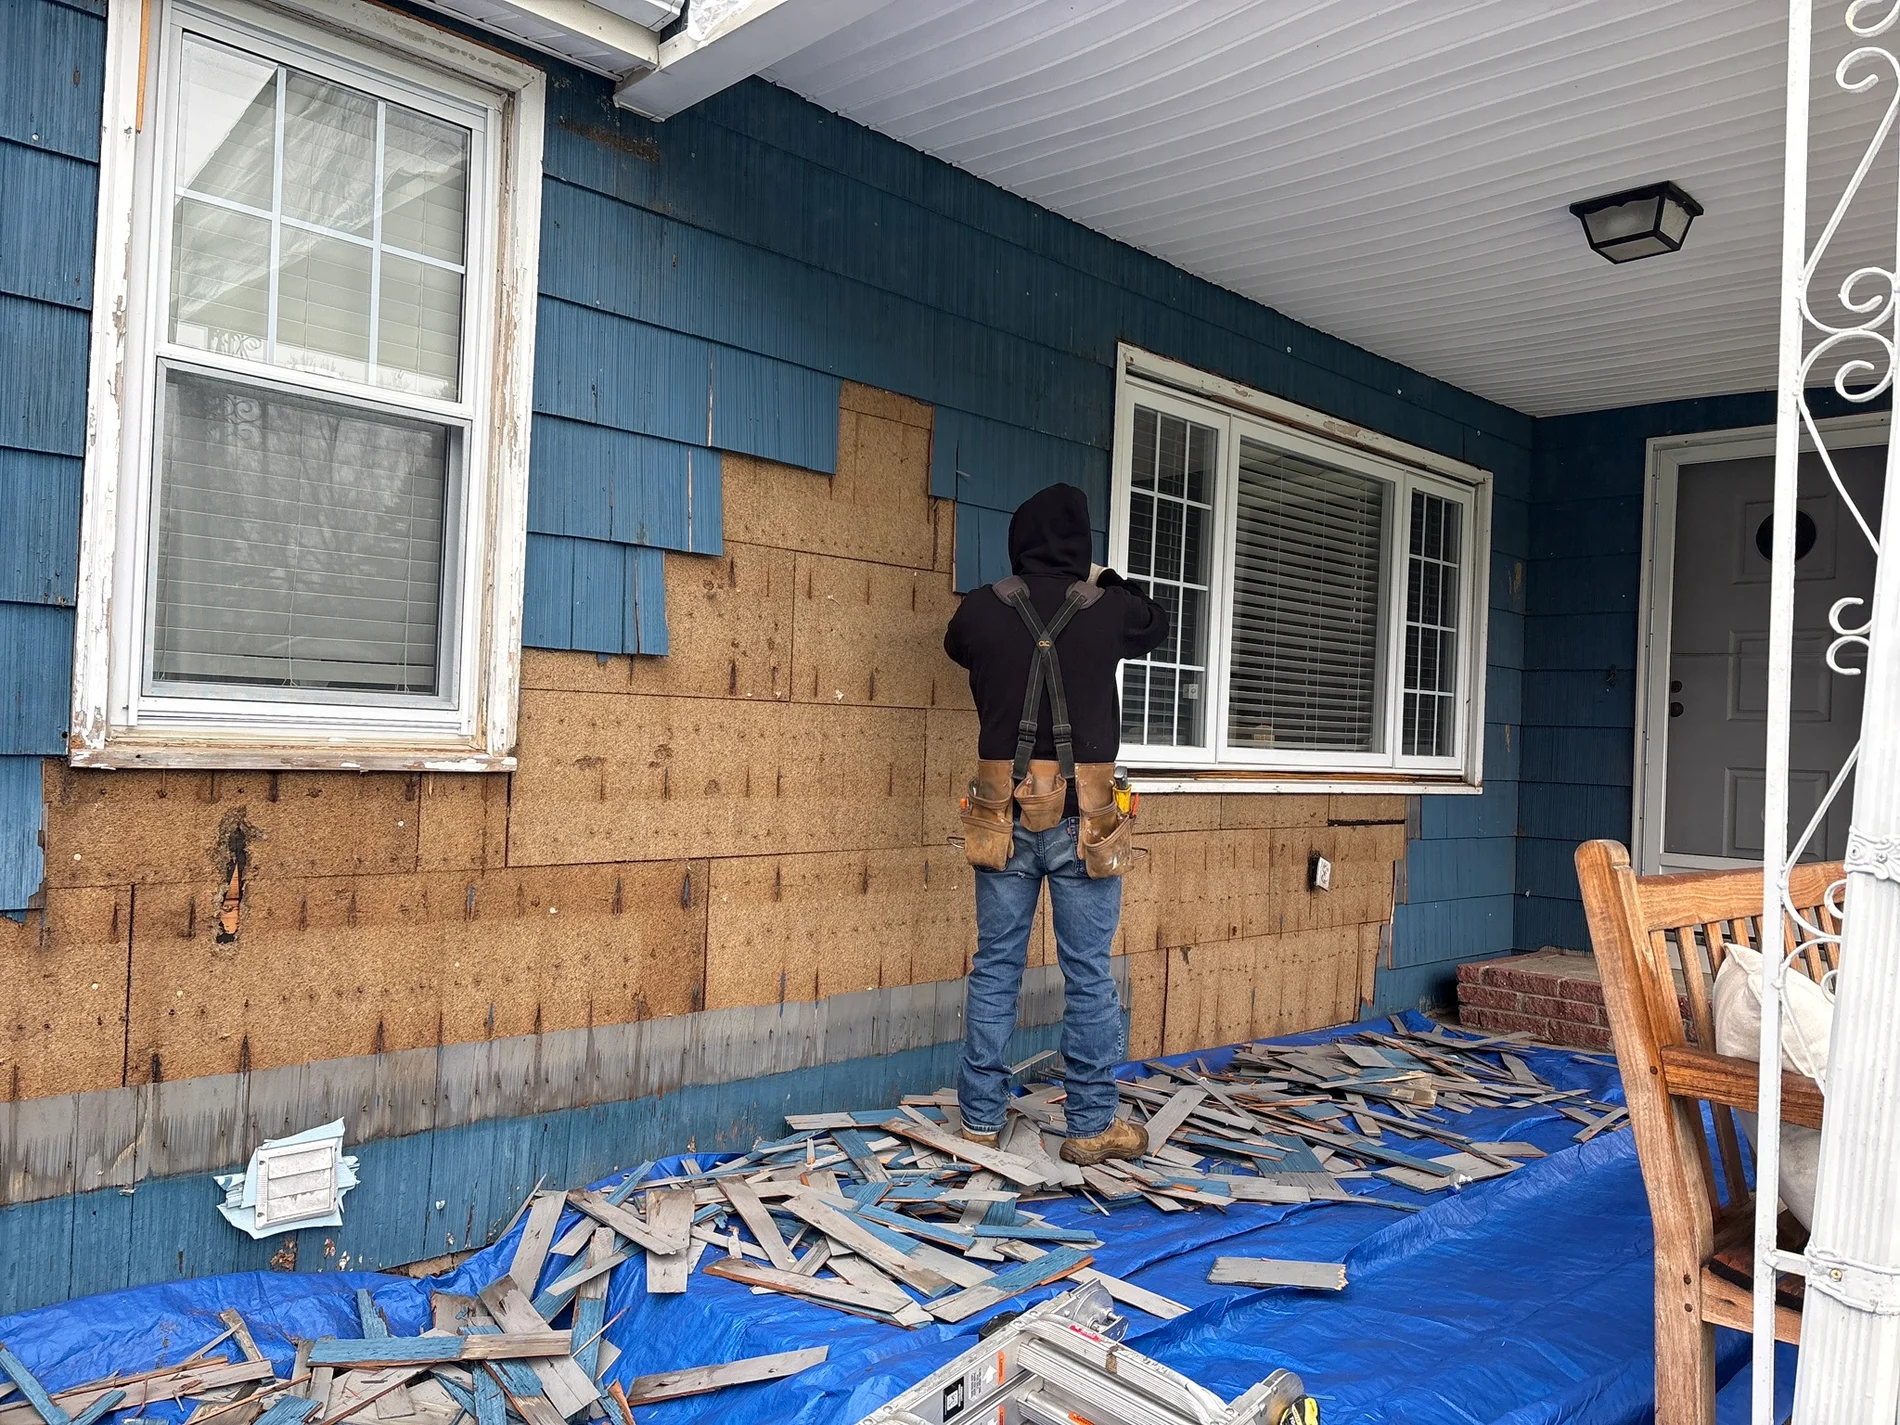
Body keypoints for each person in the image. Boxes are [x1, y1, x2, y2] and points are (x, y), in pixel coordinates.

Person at [943, 483, 1169, 1165]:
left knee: (995, 968)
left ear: (1019, 539)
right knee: (1088, 974)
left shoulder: (981, 608)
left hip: (1001, 818)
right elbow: (1156, 622)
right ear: (1080, 544)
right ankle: (1091, 1125)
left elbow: (957, 646)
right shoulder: (1110, 609)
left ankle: (979, 1120)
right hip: (1087, 822)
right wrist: (1105, 579)